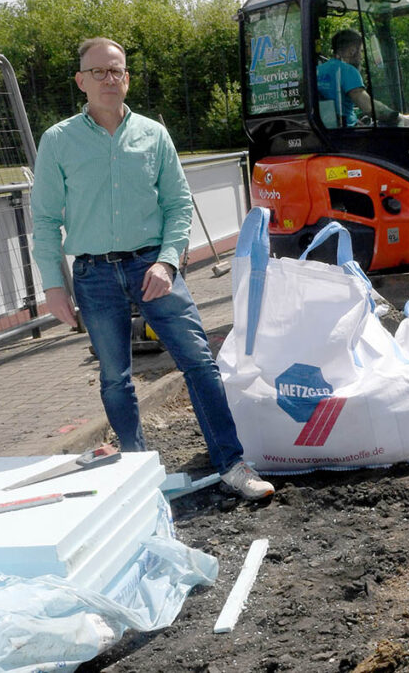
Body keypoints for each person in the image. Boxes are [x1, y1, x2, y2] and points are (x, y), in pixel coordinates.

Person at [31, 37, 273, 501]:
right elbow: (44, 218)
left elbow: (179, 205)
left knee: (199, 363)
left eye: (116, 71)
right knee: (115, 378)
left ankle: (231, 463)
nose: (108, 79)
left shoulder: (152, 134)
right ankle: (137, 470)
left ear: (127, 78)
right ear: (81, 81)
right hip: (94, 275)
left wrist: (167, 261)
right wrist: (54, 286)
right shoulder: (59, 141)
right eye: (98, 72)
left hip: (153, 267)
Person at [316, 29, 409, 127]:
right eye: (360, 51)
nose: (361, 57)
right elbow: (369, 107)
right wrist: (400, 117)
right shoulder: (347, 70)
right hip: (346, 133)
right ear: (352, 51)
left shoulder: (318, 70)